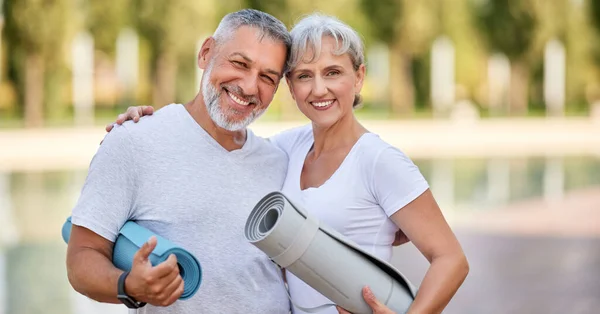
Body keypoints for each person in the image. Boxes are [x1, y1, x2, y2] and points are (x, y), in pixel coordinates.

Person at [111, 13, 469, 314]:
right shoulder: (286, 148)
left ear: (358, 78)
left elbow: (451, 259)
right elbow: (219, 152)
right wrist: (151, 124)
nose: (318, 89)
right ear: (290, 86)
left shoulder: (379, 160)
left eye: (333, 73)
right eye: (303, 76)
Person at [66, 9, 294, 314]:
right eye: (239, 63)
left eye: (268, 77)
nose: (250, 87)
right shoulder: (135, 141)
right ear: (206, 53)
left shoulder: (279, 161)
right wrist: (129, 286)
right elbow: (82, 256)